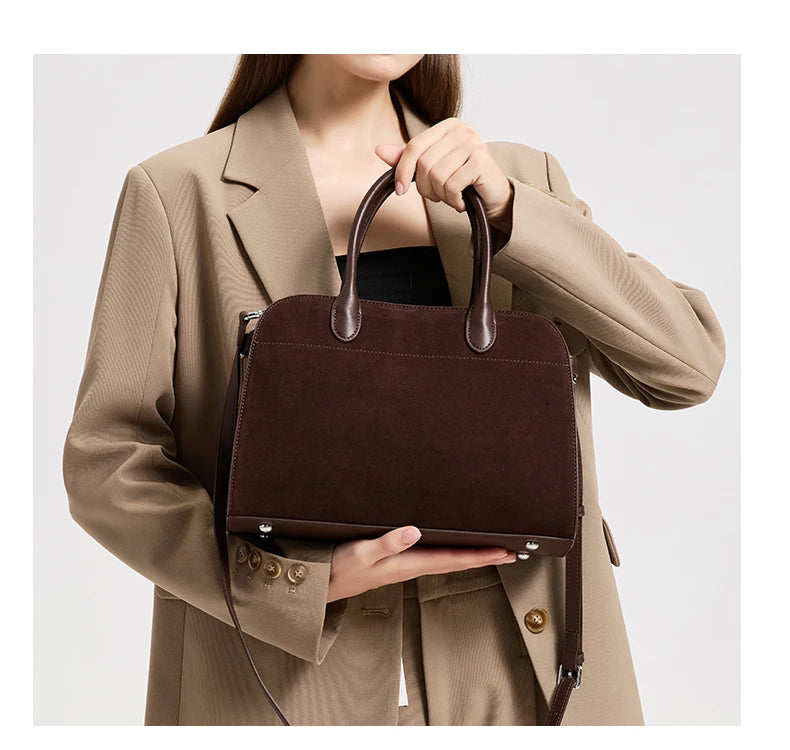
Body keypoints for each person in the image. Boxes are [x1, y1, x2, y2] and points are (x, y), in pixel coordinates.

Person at [62, 54, 726, 726]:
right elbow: (107, 460)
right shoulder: (180, 191)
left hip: (529, 665)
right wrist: (299, 585)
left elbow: (686, 367)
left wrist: (509, 214)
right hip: (288, 685)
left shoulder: (520, 180)